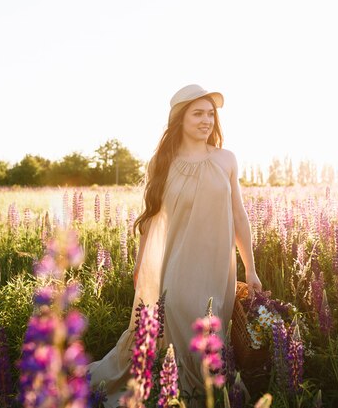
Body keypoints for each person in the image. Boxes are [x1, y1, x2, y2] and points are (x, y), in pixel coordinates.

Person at [87, 84, 263, 408]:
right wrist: (142, 264)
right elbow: (151, 218)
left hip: (218, 269)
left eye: (211, 114)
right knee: (185, 329)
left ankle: (201, 396)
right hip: (178, 267)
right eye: (198, 113)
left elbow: (239, 216)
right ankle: (187, 398)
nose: (206, 120)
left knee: (212, 337)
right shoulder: (162, 162)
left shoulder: (226, 159)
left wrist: (250, 268)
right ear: (180, 119)